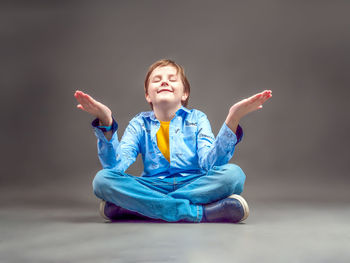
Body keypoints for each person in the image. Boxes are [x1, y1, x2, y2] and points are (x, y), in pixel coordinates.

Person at [74, 59, 272, 223]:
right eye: (157, 80)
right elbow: (115, 167)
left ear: (184, 93)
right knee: (102, 181)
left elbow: (211, 165)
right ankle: (200, 213)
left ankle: (139, 209)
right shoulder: (139, 124)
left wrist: (232, 119)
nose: (164, 82)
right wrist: (106, 122)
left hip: (194, 183)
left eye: (172, 79)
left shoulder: (197, 118)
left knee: (234, 175)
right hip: (152, 185)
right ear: (147, 95)